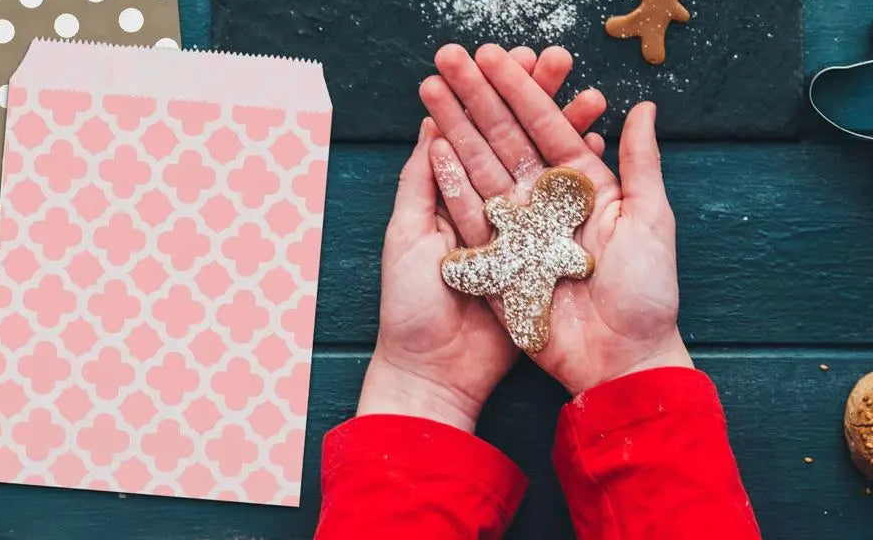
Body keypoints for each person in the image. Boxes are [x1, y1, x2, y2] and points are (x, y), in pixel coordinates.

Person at [314, 43, 760, 540]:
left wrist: (417, 394)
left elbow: (563, 253)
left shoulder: (558, 249)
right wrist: (639, 371)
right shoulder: (520, 225)